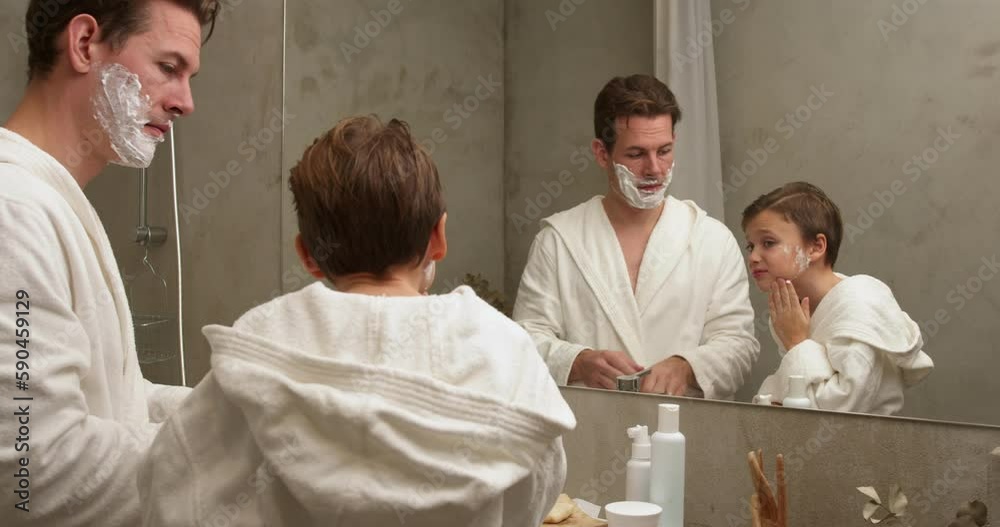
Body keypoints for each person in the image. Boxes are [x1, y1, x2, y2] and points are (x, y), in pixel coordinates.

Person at [139, 116, 576, 526]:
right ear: (438, 237)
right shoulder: (499, 347)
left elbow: (178, 484)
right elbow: (537, 489)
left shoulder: (267, 343)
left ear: (308, 255)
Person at [0, 1, 219, 524]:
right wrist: (228, 463)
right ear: (83, 45)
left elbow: (119, 400)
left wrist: (237, 416)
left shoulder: (52, 202)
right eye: (169, 68)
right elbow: (30, 468)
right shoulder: (13, 212)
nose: (186, 103)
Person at [513, 74, 759, 398]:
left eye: (665, 150)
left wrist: (687, 366)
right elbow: (524, 342)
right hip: (589, 432)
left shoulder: (712, 240)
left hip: (685, 432)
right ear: (602, 153)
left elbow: (739, 345)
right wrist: (577, 361)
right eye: (636, 154)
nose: (655, 168)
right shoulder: (559, 241)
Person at [743, 182, 933, 414]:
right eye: (750, 245)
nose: (753, 256)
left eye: (768, 243)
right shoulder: (793, 311)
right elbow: (799, 395)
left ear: (816, 247)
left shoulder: (858, 305)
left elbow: (845, 411)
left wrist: (797, 343)